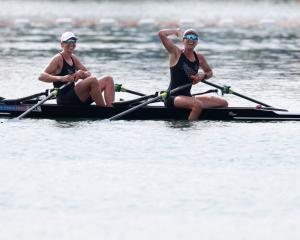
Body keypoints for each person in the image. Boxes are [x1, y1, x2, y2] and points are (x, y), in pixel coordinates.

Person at [158, 28, 228, 120]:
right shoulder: (176, 53)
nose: (191, 39)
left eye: (194, 37)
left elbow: (209, 72)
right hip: (172, 97)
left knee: (223, 103)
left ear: (197, 42)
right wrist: (175, 31)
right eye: (188, 37)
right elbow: (161, 34)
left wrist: (202, 76)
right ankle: (190, 127)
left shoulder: (199, 58)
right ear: (183, 40)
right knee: (197, 105)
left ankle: (203, 118)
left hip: (187, 96)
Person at [39, 31, 115, 106]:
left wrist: (82, 74)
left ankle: (110, 109)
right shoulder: (58, 58)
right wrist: (61, 78)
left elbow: (88, 74)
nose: (72, 44)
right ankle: (103, 111)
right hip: (65, 99)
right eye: (69, 41)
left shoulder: (73, 58)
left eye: (74, 41)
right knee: (93, 80)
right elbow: (41, 76)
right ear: (62, 44)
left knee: (108, 79)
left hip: (75, 96)